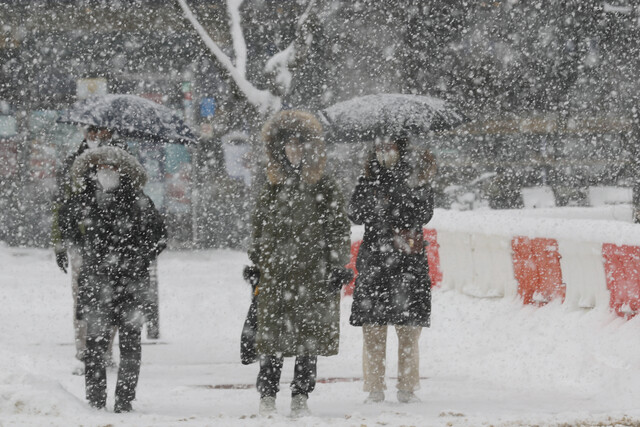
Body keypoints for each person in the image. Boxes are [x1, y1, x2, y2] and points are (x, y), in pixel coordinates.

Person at [245, 110, 352, 417]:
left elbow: (337, 226)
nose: (294, 150)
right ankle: (267, 395)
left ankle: (300, 395)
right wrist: (259, 259)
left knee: (307, 339)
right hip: (277, 274)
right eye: (289, 144)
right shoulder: (271, 183)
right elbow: (258, 224)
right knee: (271, 338)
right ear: (281, 148)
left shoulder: (323, 183)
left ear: (308, 148)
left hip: (312, 272)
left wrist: (337, 264)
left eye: (299, 144)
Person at [59, 146, 167, 412]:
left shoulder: (139, 201)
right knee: (95, 344)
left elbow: (159, 236)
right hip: (97, 282)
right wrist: (71, 247)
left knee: (130, 343)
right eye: (101, 169)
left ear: (123, 172)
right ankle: (95, 399)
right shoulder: (84, 200)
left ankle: (124, 399)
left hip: (130, 283)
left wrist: (139, 256)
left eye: (112, 168)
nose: (106, 173)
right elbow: (66, 224)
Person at [348, 132, 435, 404]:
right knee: (373, 329)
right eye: (380, 147)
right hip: (375, 261)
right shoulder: (367, 180)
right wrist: (377, 204)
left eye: (390, 146)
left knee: (409, 328)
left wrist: (398, 200)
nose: (384, 151)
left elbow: (424, 213)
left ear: (400, 148)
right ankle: (374, 387)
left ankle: (407, 387)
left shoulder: (416, 176)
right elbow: (354, 212)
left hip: (408, 262)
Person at [52, 126, 125, 374]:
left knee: (112, 296)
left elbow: (132, 198)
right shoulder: (75, 162)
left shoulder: (121, 160)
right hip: (81, 241)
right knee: (83, 296)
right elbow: (61, 207)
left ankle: (104, 349)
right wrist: (60, 243)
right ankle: (84, 351)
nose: (96, 135)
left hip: (113, 241)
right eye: (91, 130)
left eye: (101, 130)